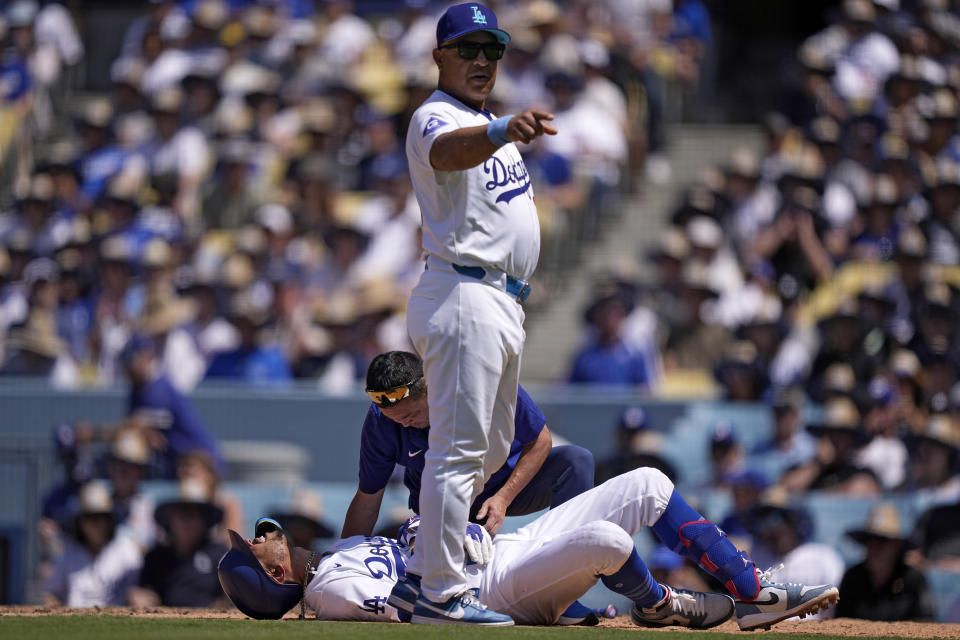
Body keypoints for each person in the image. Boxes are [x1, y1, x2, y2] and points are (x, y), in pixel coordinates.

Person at [218, 467, 839, 631]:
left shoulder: (340, 552)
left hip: (502, 548)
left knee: (647, 484)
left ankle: (753, 592)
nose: (264, 534)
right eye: (257, 543)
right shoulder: (330, 592)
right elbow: (416, 612)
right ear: (274, 572)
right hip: (489, 589)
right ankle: (655, 605)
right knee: (608, 540)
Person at [400, 2, 558, 625]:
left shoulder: (487, 121)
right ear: (440, 56)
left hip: (497, 299)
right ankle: (440, 593)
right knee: (459, 450)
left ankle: (418, 578)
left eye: (492, 49)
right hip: (463, 292)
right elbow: (446, 153)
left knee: (490, 448)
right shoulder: (435, 117)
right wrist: (498, 132)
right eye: (468, 48)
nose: (482, 60)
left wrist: (497, 130)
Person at [343, 351, 595, 537]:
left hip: (509, 483)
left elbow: (541, 441)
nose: (405, 424)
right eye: (396, 420)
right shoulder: (380, 422)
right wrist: (341, 561)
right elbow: (368, 498)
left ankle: (565, 567)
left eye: (410, 415)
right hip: (442, 496)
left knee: (576, 461)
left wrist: (503, 498)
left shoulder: (483, 385)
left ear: (430, 388)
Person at [836, 502, 933, 622]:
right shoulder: (853, 578)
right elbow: (839, 623)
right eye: (871, 539)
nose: (876, 547)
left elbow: (926, 622)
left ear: (897, 546)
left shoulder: (912, 580)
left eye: (883, 540)